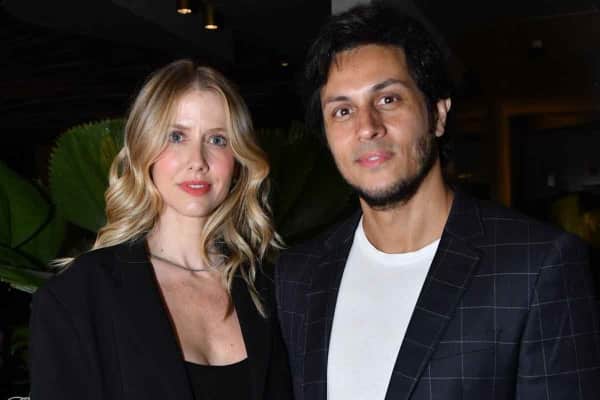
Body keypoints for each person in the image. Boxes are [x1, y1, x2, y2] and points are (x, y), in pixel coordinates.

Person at [275, 4, 600, 400]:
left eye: (388, 99)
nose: (366, 127)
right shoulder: (298, 276)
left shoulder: (537, 266)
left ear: (438, 114)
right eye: (342, 111)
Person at [29, 60, 293, 400]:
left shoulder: (276, 289)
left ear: (239, 158)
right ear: (144, 149)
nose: (197, 160)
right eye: (176, 136)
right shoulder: (80, 295)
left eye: (217, 139)